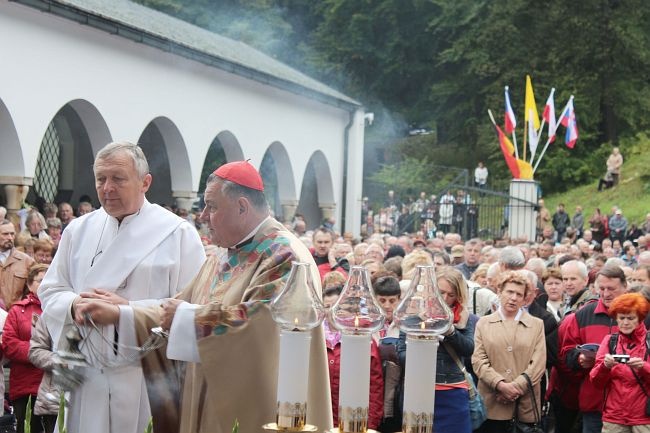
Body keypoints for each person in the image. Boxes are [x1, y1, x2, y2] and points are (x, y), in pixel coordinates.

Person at [81, 160, 334, 433]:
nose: (202, 216)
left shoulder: (285, 256)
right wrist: (125, 310)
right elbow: (176, 309)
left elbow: (263, 323)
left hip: (258, 408)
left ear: (242, 207)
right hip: (209, 400)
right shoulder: (224, 253)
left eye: (211, 207)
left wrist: (187, 318)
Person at [38, 141, 205, 433]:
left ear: (145, 182)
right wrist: (75, 305)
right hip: (86, 374)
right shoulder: (78, 231)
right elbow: (51, 291)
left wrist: (126, 312)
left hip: (146, 376)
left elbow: (193, 310)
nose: (107, 188)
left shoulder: (178, 235)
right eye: (100, 179)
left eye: (118, 178)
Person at [399, 267, 477, 433]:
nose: (445, 299)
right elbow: (401, 355)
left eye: (451, 295)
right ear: (431, 290)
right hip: (419, 389)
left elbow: (468, 349)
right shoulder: (413, 315)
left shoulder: (463, 316)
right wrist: (423, 348)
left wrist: (450, 331)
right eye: (441, 292)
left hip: (453, 391)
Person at [472, 271, 546, 433]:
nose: (513, 298)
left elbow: (538, 363)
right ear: (499, 292)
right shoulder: (483, 323)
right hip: (491, 402)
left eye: (519, 294)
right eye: (509, 292)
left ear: (525, 299)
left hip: (524, 405)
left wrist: (514, 388)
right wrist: (500, 385)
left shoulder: (536, 325)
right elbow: (478, 360)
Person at [559, 265, 628, 433]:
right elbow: (566, 352)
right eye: (601, 288)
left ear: (625, 287)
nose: (605, 294)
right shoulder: (584, 314)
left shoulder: (642, 315)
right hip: (594, 404)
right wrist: (579, 359)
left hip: (630, 405)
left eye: (611, 289)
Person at [323, 284, 383, 430]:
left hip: (355, 421)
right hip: (323, 419)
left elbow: (375, 386)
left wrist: (371, 424)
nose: (331, 311)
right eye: (326, 306)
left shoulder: (363, 340)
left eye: (336, 307)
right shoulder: (316, 339)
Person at [590, 293, 650, 432]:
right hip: (614, 417)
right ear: (616, 319)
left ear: (640, 319)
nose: (625, 322)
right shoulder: (610, 341)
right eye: (621, 318)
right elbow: (596, 381)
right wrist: (605, 366)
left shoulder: (648, 341)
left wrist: (644, 367)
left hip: (644, 417)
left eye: (631, 318)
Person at [2, 263, 49, 433]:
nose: (45, 285)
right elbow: (9, 343)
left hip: (53, 383)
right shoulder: (17, 310)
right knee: (26, 427)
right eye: (40, 281)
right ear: (29, 285)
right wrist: (39, 354)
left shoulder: (59, 309)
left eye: (49, 280)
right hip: (25, 384)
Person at [0, 219, 35, 309]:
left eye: (12, 234)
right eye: (5, 234)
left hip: (16, 316)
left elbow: (33, 293)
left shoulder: (27, 261)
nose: (10, 238)